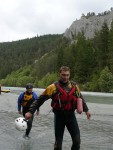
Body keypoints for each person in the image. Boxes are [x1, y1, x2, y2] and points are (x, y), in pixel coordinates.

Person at [25, 66, 91, 149]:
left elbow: (80, 98)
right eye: (63, 75)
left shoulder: (74, 86)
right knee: (58, 145)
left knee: (77, 141)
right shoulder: (52, 87)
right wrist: (31, 111)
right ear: (60, 74)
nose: (65, 77)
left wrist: (87, 110)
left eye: (67, 75)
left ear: (69, 74)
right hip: (59, 117)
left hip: (71, 117)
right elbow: (39, 100)